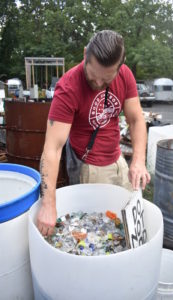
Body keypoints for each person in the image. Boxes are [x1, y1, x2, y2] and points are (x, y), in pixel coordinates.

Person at [37, 30, 150, 237]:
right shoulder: (68, 87)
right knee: (98, 233)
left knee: (129, 229)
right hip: (91, 168)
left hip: (119, 161)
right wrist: (48, 202)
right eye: (92, 77)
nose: (98, 84)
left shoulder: (125, 75)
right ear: (85, 53)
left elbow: (135, 119)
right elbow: (52, 149)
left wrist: (139, 160)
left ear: (120, 67)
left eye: (106, 80)